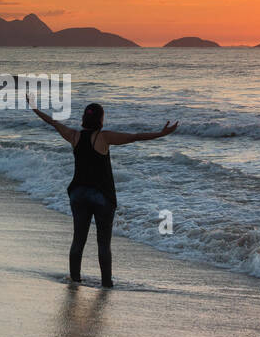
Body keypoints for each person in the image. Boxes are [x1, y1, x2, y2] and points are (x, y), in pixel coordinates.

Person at [29, 96, 178, 288]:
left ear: (84, 118)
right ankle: (106, 283)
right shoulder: (103, 137)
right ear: (100, 119)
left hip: (78, 193)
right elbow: (134, 137)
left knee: (78, 240)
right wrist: (161, 133)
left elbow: (52, 122)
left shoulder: (74, 136)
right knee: (103, 243)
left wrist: (34, 107)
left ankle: (75, 280)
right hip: (102, 196)